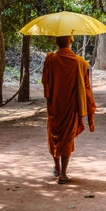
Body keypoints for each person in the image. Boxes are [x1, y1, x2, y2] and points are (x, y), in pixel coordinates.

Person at [42, 35, 96, 184]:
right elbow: (86, 88)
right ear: (71, 41)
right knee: (67, 138)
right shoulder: (80, 62)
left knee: (55, 136)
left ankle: (57, 167)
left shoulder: (50, 60)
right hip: (71, 106)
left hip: (54, 106)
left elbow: (45, 84)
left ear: (55, 42)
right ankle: (63, 174)